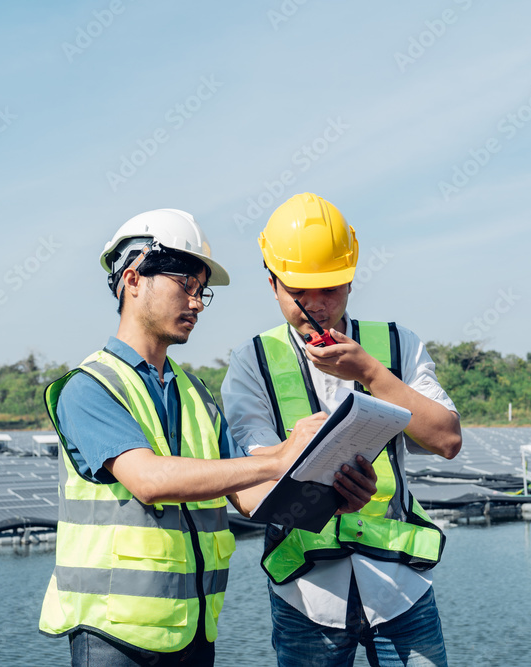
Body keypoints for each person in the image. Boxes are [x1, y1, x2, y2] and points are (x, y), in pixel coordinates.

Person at [37, 207, 377, 666]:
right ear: (134, 279)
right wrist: (279, 457)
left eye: (202, 292)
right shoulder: (88, 387)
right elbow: (149, 480)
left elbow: (252, 496)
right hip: (113, 636)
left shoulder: (193, 393)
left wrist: (332, 496)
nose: (197, 303)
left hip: (192, 634)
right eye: (187, 286)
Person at [221, 193, 463, 666]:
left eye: (330, 288)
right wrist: (329, 498)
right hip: (307, 597)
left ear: (351, 281)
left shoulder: (395, 345)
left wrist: (372, 373)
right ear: (272, 283)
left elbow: (448, 440)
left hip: (400, 587)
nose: (317, 305)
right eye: (299, 292)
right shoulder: (251, 361)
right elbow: (252, 488)